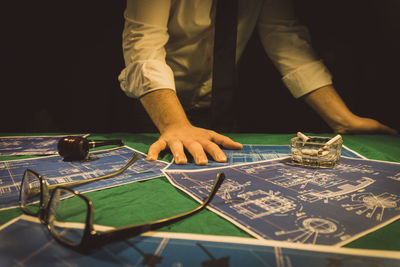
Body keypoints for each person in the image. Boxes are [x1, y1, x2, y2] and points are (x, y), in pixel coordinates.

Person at [118, 0, 397, 165]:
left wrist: (343, 119)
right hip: (158, 113)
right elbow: (144, 43)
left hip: (222, 112)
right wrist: (174, 124)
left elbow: (286, 40)